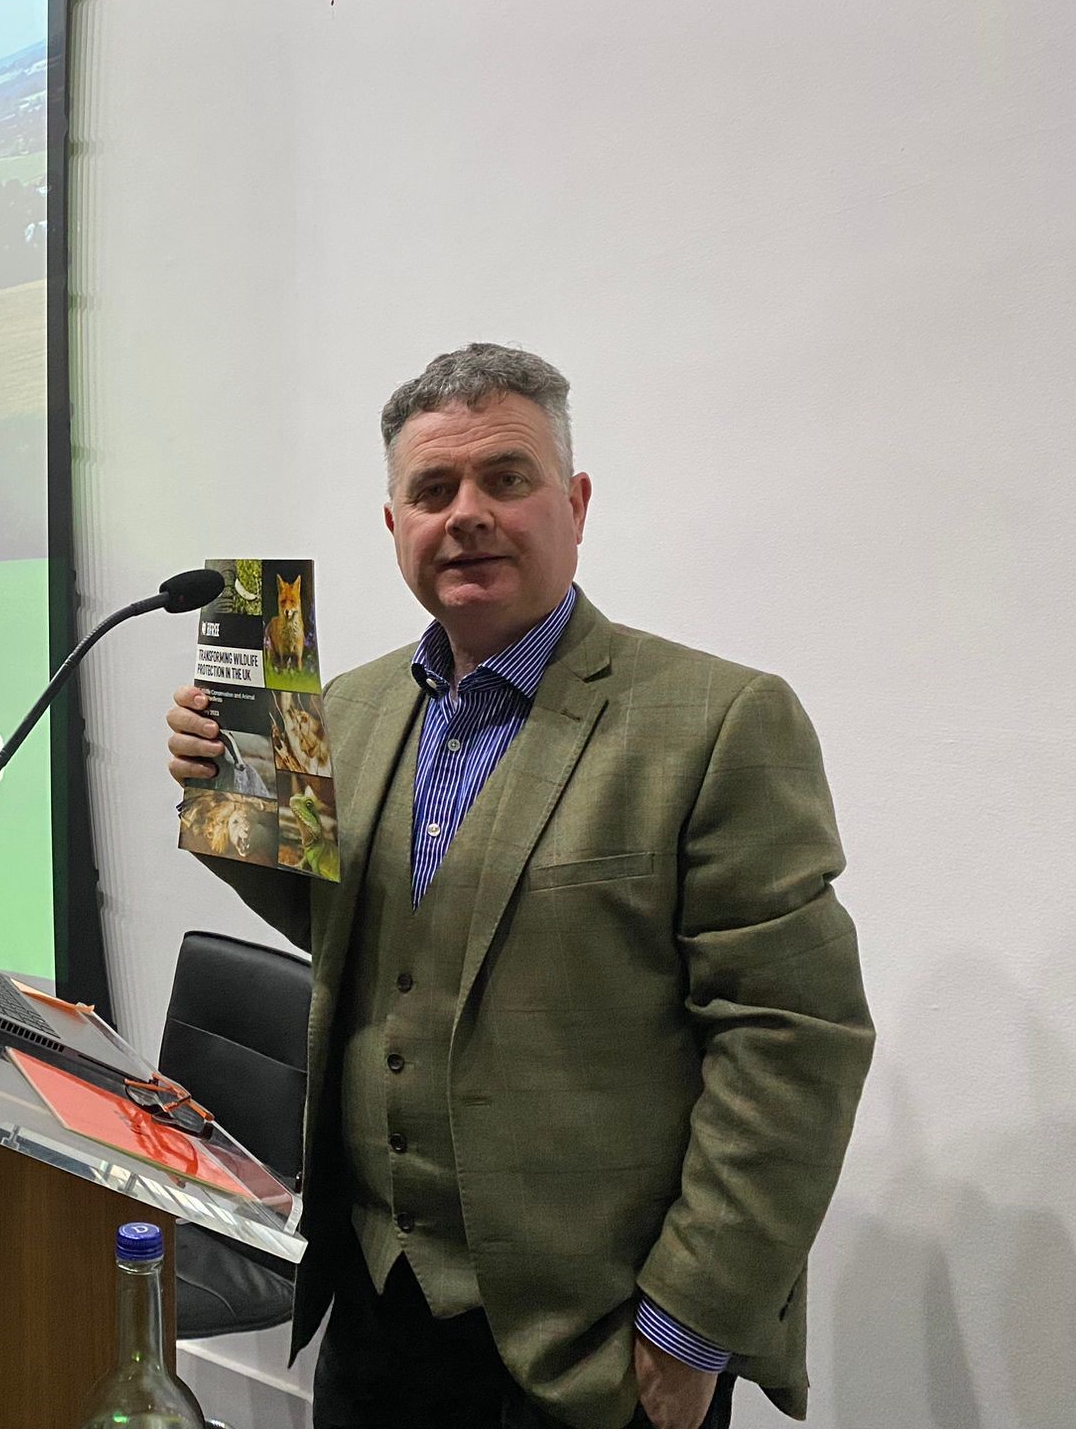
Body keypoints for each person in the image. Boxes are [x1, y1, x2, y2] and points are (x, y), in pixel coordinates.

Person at [165, 344, 873, 1429]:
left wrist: (686, 1332)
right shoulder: (343, 713)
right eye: (431, 490)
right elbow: (362, 942)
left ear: (573, 503)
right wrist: (228, 807)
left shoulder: (717, 720)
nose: (467, 514)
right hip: (371, 1308)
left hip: (594, 1344)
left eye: (505, 478)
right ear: (393, 523)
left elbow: (791, 1039)